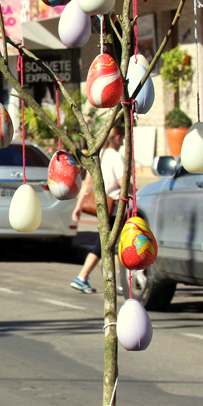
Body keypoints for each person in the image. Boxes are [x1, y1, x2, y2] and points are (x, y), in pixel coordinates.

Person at [70, 124, 126, 294]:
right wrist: (136, 193)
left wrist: (78, 206)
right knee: (109, 245)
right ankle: (87, 277)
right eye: (122, 139)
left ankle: (110, 280)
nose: (122, 142)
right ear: (118, 138)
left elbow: (87, 183)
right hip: (115, 207)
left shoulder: (99, 155)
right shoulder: (116, 157)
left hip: (103, 206)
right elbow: (123, 182)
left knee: (106, 244)